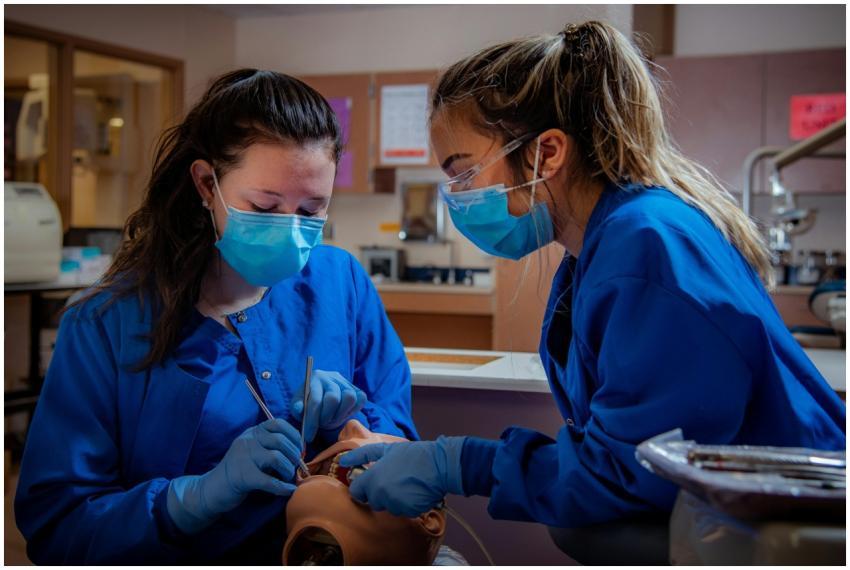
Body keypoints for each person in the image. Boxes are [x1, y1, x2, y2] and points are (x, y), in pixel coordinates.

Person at [340, 20, 846, 556]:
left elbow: (630, 471)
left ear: (547, 152)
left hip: (794, 531)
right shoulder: (603, 245)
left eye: (463, 175)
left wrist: (460, 463)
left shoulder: (646, 246)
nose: (457, 197)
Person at [15, 69, 417, 564]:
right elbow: (58, 527)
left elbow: (401, 446)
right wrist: (192, 499)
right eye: (265, 207)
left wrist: (353, 427)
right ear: (207, 184)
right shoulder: (106, 324)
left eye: (312, 211)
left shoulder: (341, 283)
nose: (291, 231)